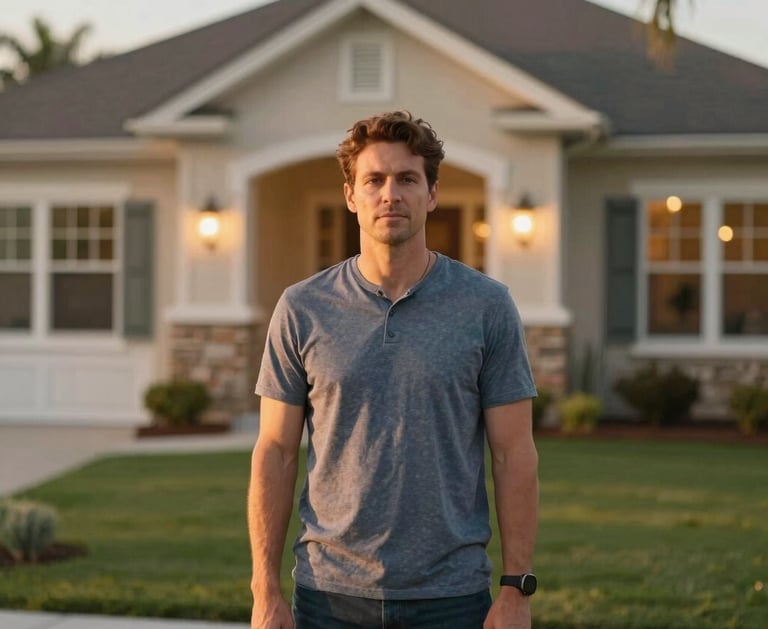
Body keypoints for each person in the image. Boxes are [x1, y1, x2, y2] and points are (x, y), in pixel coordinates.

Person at [248, 111, 539, 629]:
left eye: (407, 179)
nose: (390, 195)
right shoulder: (302, 308)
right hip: (329, 596)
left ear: (432, 193)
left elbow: (513, 452)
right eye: (374, 180)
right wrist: (265, 589)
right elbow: (275, 450)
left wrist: (517, 589)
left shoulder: (486, 307)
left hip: (451, 597)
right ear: (350, 195)